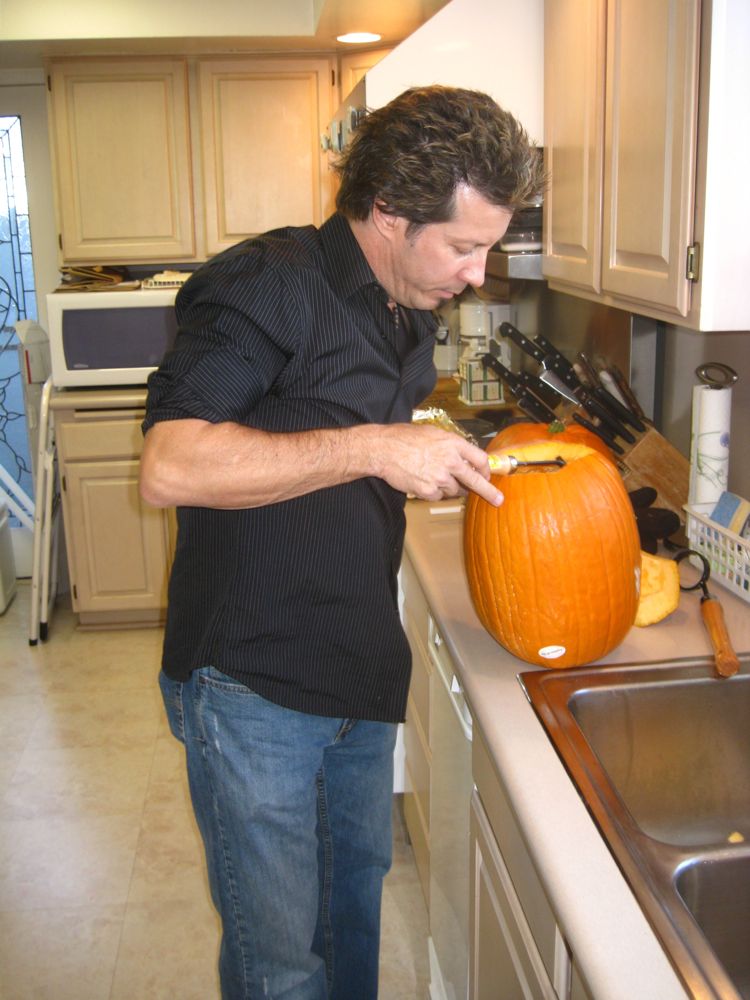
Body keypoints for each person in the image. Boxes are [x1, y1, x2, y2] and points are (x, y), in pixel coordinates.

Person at [139, 85, 544, 1000]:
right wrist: (373, 446)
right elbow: (171, 464)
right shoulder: (270, 285)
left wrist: (419, 448)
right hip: (253, 688)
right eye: (467, 247)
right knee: (281, 968)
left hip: (358, 670)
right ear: (390, 214)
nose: (478, 273)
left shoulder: (405, 311)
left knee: (353, 920)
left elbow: (343, 439)